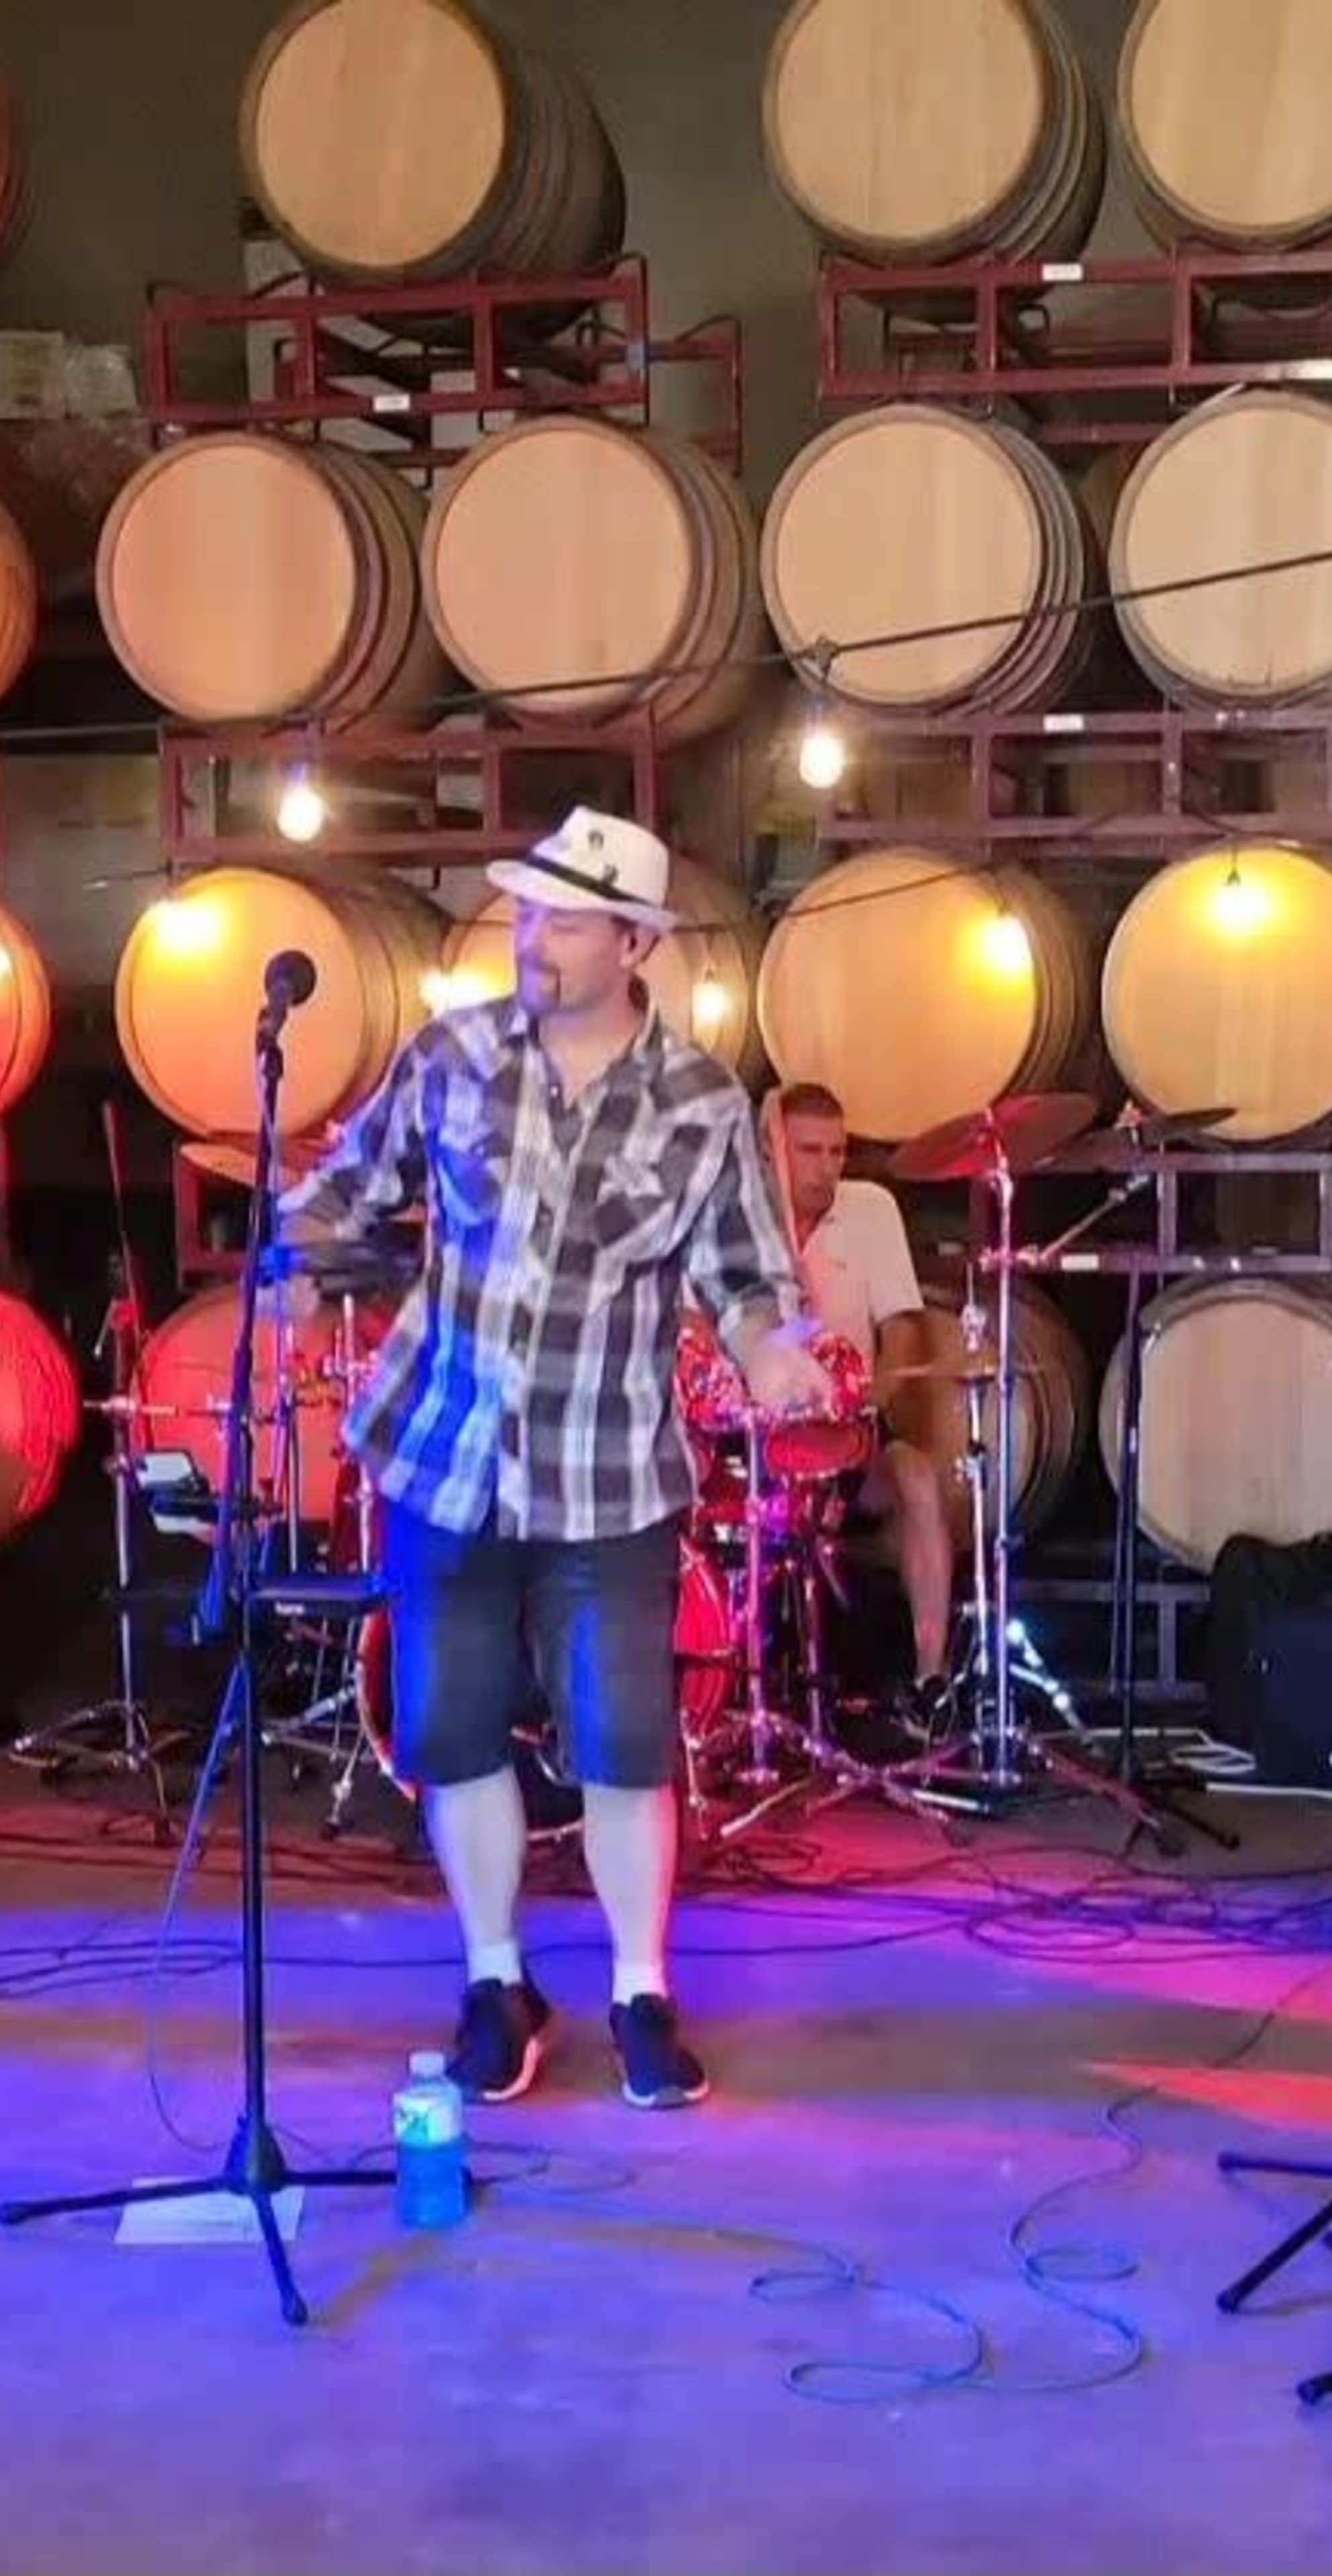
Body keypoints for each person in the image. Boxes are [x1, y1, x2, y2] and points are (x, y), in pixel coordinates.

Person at [282, 810, 830, 2110]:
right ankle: (495, 1982)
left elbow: (748, 1275)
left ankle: (641, 1990)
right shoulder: (455, 1055)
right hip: (447, 1455)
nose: (535, 938)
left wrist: (768, 1351)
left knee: (627, 1744)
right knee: (451, 1730)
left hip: (607, 1476)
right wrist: (296, 1265)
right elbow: (342, 1192)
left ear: (636, 941)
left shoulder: (697, 1101)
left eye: (566, 920)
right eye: (527, 915)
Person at [761, 1082, 959, 1714]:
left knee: (918, 1477)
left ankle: (933, 1680)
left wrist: (878, 1392)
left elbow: (903, 1324)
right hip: (765, 1446)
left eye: (837, 1152)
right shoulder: (742, 1219)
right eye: (809, 1151)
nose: (826, 1168)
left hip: (852, 1437)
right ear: (772, 1152)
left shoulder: (871, 1208)